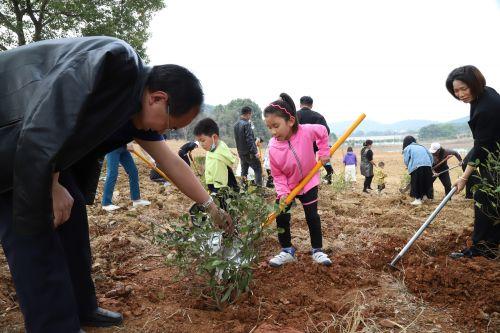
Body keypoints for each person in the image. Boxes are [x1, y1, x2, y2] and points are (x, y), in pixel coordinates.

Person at [0, 37, 231, 333]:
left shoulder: (134, 108)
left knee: (72, 226)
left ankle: (82, 308)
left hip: (43, 153)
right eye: (171, 124)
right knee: (34, 231)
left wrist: (210, 207)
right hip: (14, 146)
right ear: (158, 98)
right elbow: (48, 117)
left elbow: (170, 162)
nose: (166, 131)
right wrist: (51, 184)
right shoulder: (113, 63)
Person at [264, 93, 332, 267]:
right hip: (287, 185)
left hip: (309, 182)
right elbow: (277, 174)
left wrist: (324, 153)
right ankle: (287, 250)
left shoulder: (306, 131)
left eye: (276, 126)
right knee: (281, 215)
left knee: (312, 216)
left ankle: (317, 250)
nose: (273, 131)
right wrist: (283, 193)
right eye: (269, 127)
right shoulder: (273, 147)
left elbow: (323, 132)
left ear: (291, 121)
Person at [446, 65, 500, 259]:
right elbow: (482, 141)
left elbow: (481, 147)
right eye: (456, 90)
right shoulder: (483, 95)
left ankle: (482, 250)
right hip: (492, 149)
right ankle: (491, 244)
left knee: (484, 200)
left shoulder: (487, 107)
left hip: (495, 157)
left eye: (464, 89)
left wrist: (463, 178)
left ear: (475, 84)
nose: (460, 94)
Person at [194, 118, 239, 209]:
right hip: (215, 185)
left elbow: (221, 183)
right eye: (199, 141)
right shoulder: (213, 148)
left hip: (222, 190)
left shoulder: (218, 158)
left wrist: (215, 193)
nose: (201, 144)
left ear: (214, 137)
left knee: (224, 211)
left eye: (203, 140)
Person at [101, 143, 151, 211]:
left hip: (123, 149)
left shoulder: (139, 133)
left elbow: (141, 144)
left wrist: (150, 159)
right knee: (112, 173)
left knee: (133, 172)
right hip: (112, 148)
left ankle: (136, 200)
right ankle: (106, 204)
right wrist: (125, 145)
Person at [297, 96, 334, 184]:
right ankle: (309, 186)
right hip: (312, 148)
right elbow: (326, 131)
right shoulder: (318, 116)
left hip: (295, 147)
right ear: (312, 105)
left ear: (300, 104)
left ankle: (297, 187)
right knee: (309, 169)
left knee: (297, 168)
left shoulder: (294, 116)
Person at [233, 106, 263, 186]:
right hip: (249, 153)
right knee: (258, 169)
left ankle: (243, 190)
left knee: (244, 172)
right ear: (248, 114)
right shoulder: (246, 124)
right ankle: (259, 189)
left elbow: (237, 139)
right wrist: (255, 152)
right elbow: (249, 140)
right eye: (250, 114)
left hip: (241, 153)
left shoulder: (236, 125)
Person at [402, 136, 434, 205]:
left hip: (417, 166)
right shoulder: (422, 146)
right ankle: (426, 197)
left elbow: (406, 160)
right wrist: (429, 166)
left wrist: (408, 166)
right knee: (426, 182)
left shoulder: (408, 148)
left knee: (416, 183)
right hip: (428, 165)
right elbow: (431, 157)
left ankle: (418, 200)